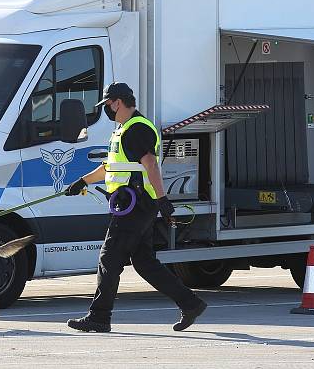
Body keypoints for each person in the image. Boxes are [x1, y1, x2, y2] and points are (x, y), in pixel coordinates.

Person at [64, 82, 207, 333]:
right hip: (135, 203)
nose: (106, 110)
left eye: (107, 105)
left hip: (134, 203)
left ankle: (99, 317)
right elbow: (112, 167)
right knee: (144, 263)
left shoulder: (136, 129)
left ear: (117, 102)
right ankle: (191, 303)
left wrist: (163, 200)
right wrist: (83, 181)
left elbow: (150, 164)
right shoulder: (124, 129)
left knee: (109, 258)